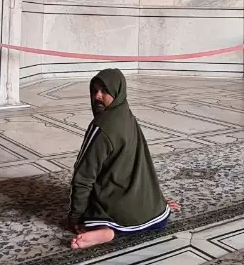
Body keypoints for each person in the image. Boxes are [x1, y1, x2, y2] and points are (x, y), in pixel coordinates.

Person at [68, 68, 179, 250]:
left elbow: (83, 177)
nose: (97, 96)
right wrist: (158, 200)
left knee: (91, 211)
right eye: (95, 90)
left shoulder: (101, 128)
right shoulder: (127, 115)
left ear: (116, 91)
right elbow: (145, 165)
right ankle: (144, 215)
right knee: (156, 215)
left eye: (104, 90)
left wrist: (76, 218)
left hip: (121, 213)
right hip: (155, 215)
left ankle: (107, 230)